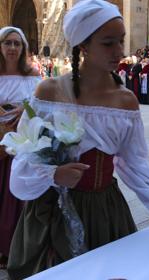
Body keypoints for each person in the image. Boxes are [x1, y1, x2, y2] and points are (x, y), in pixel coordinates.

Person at [6, 1, 149, 279]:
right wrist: (54, 173)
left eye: (121, 41)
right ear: (83, 45)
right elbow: (24, 156)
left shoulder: (125, 101)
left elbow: (135, 167)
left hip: (105, 212)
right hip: (53, 214)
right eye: (108, 43)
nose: (119, 51)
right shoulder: (49, 92)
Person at [0, 26, 41, 270]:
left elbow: (43, 110)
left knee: (13, 197)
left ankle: (12, 247)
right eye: (8, 43)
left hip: (21, 144)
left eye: (17, 43)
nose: (13, 48)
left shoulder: (33, 77)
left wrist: (25, 110)